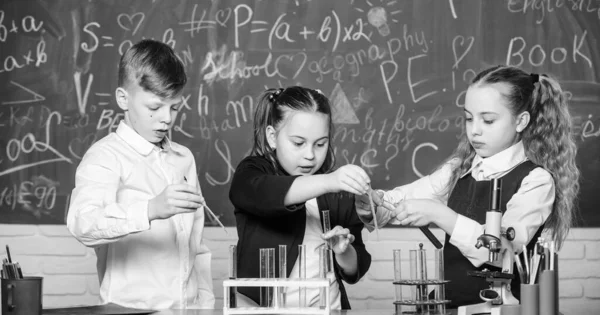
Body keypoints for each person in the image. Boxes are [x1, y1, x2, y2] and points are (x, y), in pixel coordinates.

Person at [356, 65, 579, 308]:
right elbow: (396, 203)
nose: (475, 130)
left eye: (488, 120)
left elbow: (498, 253)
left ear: (521, 122)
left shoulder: (536, 181)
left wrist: (440, 214)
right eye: (469, 118)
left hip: (502, 309)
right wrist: (371, 204)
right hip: (449, 306)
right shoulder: (459, 168)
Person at [67, 39, 214, 309]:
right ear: (123, 98)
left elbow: (196, 243)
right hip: (128, 310)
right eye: (155, 107)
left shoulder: (184, 159)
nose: (167, 118)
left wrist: (206, 305)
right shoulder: (105, 156)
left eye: (174, 108)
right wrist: (149, 209)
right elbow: (82, 225)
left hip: (187, 310)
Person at [229, 86, 372, 309]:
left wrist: (344, 252)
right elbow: (266, 193)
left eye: (320, 144)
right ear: (272, 137)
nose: (310, 155)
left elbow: (354, 271)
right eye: (298, 143)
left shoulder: (337, 194)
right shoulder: (253, 172)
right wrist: (329, 181)